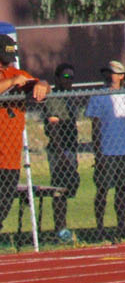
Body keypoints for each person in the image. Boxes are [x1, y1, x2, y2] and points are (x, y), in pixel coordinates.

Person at [0, 26, 49, 238]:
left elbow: (39, 84)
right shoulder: (11, 78)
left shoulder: (16, 73)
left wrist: (42, 85)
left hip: (10, 158)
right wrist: (11, 83)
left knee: (2, 208)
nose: (8, 62)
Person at [86, 60, 125, 238]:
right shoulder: (98, 95)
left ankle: (121, 225)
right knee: (102, 189)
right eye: (108, 73)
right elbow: (95, 126)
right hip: (106, 151)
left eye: (115, 73)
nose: (111, 76)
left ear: (122, 76)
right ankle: (100, 227)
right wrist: (98, 152)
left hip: (124, 150)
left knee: (122, 189)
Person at [42, 63, 82, 241]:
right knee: (59, 189)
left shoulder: (69, 97)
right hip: (60, 150)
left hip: (71, 148)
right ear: (57, 78)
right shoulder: (54, 97)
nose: (69, 80)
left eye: (71, 77)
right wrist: (61, 154)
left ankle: (62, 227)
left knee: (67, 189)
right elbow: (53, 127)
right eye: (66, 77)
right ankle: (60, 228)